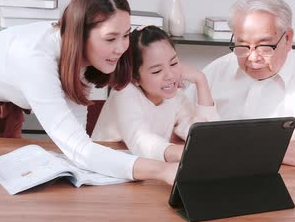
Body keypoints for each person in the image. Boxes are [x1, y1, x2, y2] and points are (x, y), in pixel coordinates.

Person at [0, 0, 178, 184]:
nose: (122, 47)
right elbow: (79, 150)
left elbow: (77, 141)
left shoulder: (78, 58)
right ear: (80, 34)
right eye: (110, 38)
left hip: (5, 103)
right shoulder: (36, 60)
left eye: (125, 35)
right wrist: (162, 171)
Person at [186, 0, 295, 167]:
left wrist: (248, 148)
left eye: (264, 46)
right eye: (243, 45)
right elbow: (176, 118)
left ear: (287, 38)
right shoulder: (218, 69)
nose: (253, 57)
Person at [91, 26, 218, 162]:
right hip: (107, 171)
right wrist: (180, 152)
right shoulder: (123, 92)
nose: (170, 75)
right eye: (157, 71)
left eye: (174, 63)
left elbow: (207, 138)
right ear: (135, 78)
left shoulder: (175, 96)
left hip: (145, 171)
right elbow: (140, 140)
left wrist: (201, 80)